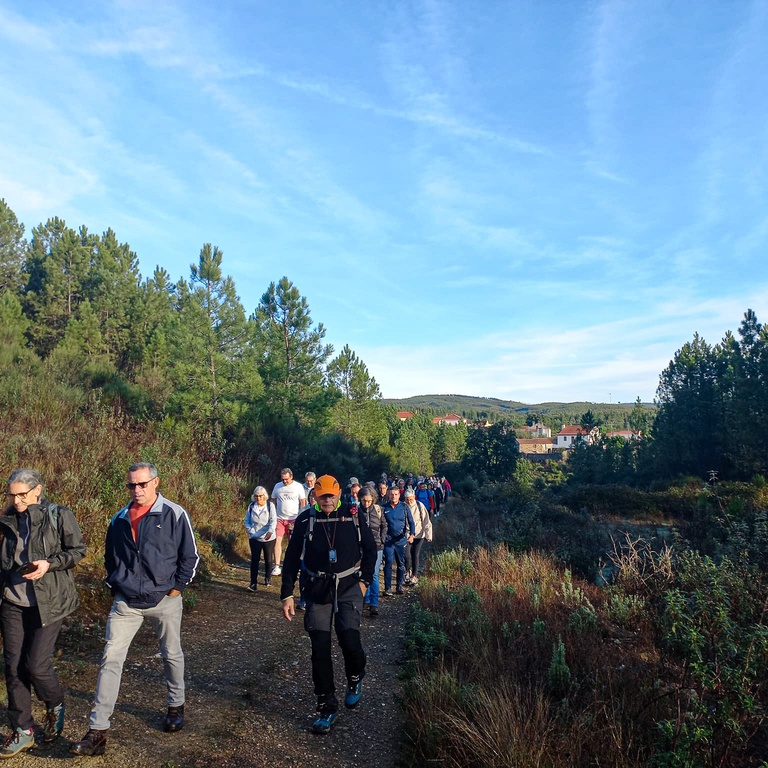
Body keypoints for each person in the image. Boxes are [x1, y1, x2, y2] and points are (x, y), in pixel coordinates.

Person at [70, 462, 199, 757]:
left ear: (156, 482)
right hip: (126, 602)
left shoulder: (174, 514)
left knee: (171, 654)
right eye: (132, 485)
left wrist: (177, 587)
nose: (137, 490)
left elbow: (189, 555)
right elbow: (110, 558)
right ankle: (97, 731)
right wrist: (115, 586)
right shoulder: (118, 519)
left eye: (142, 484)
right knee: (110, 658)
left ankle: (176, 706)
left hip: (165, 599)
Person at [0, 468, 86, 758]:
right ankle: (23, 730)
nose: (16, 499)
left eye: (21, 494)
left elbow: (78, 551)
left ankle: (54, 704)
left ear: (37, 491)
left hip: (49, 603)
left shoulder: (59, 515)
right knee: (13, 668)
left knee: (36, 665)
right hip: (12, 601)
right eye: (11, 494)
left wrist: (50, 563)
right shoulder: (7, 518)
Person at [281, 475, 376, 734]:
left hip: (348, 587)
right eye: (322, 496)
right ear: (315, 496)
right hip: (317, 590)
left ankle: (355, 677)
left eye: (331, 496)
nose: (327, 500)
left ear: (338, 495)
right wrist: (287, 594)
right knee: (320, 649)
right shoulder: (305, 519)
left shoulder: (353, 515)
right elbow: (291, 557)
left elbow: (370, 549)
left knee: (349, 640)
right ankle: (326, 706)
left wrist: (365, 581)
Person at [270, 469, 307, 577]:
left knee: (294, 544)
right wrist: (271, 515)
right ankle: (276, 566)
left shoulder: (298, 487)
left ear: (291, 477)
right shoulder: (277, 486)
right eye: (283, 479)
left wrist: (300, 518)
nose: (284, 481)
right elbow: (273, 501)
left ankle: (294, 565)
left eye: (286, 479)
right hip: (279, 518)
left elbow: (303, 502)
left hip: (294, 519)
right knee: (277, 541)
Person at [381, 487, 415, 596]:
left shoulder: (404, 507)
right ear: (389, 495)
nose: (393, 496)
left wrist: (412, 535)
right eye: (391, 494)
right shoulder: (384, 508)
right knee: (388, 564)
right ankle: (387, 588)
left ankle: (399, 585)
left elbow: (411, 522)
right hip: (388, 541)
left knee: (401, 564)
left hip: (401, 540)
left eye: (396, 494)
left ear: (399, 495)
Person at [358, 488, 386, 617]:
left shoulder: (379, 510)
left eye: (369, 501)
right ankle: (365, 599)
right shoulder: (356, 511)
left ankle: (374, 604)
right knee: (362, 573)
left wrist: (382, 540)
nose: (366, 504)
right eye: (364, 501)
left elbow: (384, 526)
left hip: (377, 546)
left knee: (374, 574)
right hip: (361, 548)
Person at [244, 486, 276, 591]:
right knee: (255, 559)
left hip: (268, 537)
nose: (259, 498)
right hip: (254, 537)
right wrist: (251, 531)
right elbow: (247, 521)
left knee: (268, 558)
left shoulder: (270, 506)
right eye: (256, 496)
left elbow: (273, 520)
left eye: (261, 496)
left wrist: (270, 531)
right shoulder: (251, 506)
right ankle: (253, 583)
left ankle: (268, 577)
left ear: (265, 496)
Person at [403, 488, 432, 585]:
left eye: (411, 499)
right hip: (406, 534)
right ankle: (407, 571)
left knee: (415, 554)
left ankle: (414, 576)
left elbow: (426, 521)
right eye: (407, 499)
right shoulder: (402, 506)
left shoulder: (420, 506)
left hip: (419, 534)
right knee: (406, 555)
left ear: (414, 497)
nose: (409, 501)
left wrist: (428, 534)